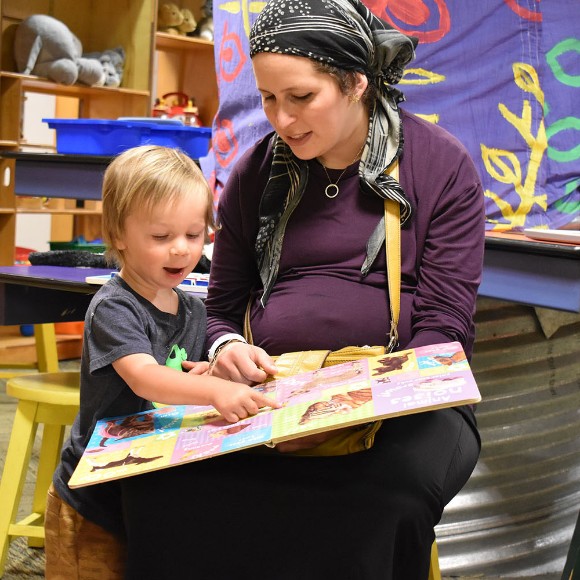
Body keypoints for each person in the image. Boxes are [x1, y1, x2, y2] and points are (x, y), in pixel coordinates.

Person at [121, 1, 485, 578]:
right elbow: (218, 312)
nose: (282, 121)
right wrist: (224, 351)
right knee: (156, 487)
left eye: (301, 98)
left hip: (409, 403)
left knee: (382, 502)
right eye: (268, 99)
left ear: (356, 83)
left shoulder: (439, 167)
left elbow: (444, 335)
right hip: (278, 395)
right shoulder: (255, 173)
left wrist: (348, 407)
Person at [44, 145, 277, 579]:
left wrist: (203, 375)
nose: (180, 251)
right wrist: (212, 390)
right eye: (160, 237)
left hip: (151, 482)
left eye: (193, 235)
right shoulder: (114, 306)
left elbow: (174, 378)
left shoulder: (192, 310)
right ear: (118, 235)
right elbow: (146, 378)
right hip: (93, 495)